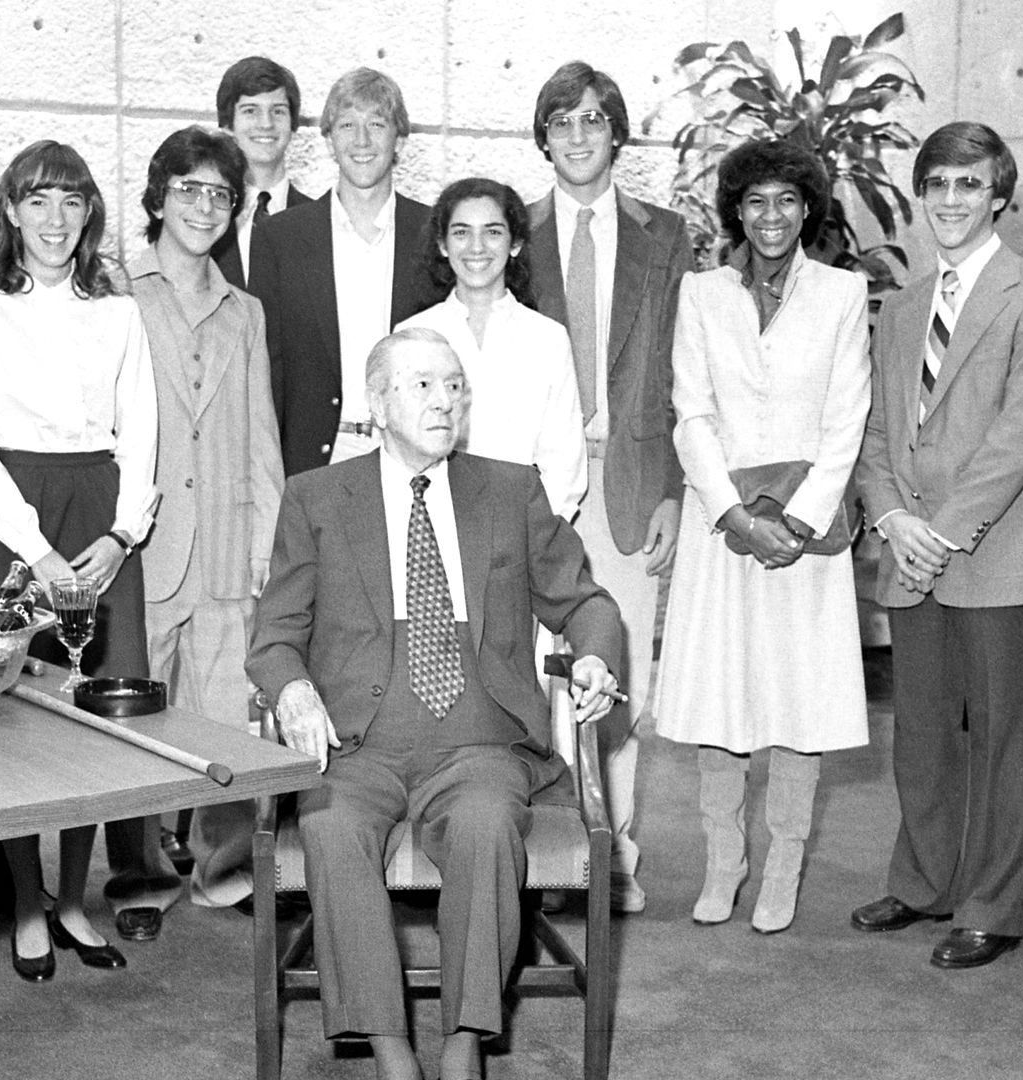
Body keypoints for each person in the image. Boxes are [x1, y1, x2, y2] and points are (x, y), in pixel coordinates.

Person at [247, 328, 623, 1080]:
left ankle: (464, 1042)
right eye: (422, 385)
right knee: (330, 826)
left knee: (487, 827)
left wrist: (592, 654)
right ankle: (390, 1050)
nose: (444, 400)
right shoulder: (317, 497)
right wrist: (291, 690)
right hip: (357, 742)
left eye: (454, 385)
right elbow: (276, 633)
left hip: (480, 741)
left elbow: (584, 600)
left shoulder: (510, 488)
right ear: (377, 404)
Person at [849, 121, 1023, 968]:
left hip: (994, 554)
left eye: (970, 184)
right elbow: (876, 430)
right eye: (938, 183)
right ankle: (923, 882)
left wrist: (940, 533)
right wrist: (891, 520)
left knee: (1006, 739)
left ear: (1000, 197)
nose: (951, 199)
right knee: (923, 732)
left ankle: (992, 904)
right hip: (910, 547)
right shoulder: (903, 305)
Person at [0, 139, 160, 980]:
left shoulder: (117, 310)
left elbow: (139, 428)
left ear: (90, 215)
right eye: (37, 200)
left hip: (101, 518)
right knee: (16, 725)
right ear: (9, 211)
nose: (55, 219)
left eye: (71, 202)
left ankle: (76, 900)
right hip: (15, 519)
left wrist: (119, 535)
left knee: (95, 723)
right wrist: (36, 553)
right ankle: (28, 905)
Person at [651, 139, 872, 934]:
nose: (770, 216)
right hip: (727, 528)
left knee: (799, 704)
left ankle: (782, 868)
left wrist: (799, 518)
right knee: (722, 699)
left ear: (808, 207)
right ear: (735, 211)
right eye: (755, 202)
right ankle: (724, 863)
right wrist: (734, 513)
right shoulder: (702, 293)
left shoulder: (844, 293)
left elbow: (847, 418)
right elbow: (692, 410)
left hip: (805, 535)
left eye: (786, 200)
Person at [522, 60, 694, 913]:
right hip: (532, 486)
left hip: (629, 482)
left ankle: (613, 849)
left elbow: (681, 378)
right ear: (543, 138)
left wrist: (672, 492)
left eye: (594, 119)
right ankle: (546, 845)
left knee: (616, 670)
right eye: (563, 121)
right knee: (530, 672)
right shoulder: (508, 235)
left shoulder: (667, 238)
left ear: (616, 134)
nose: (579, 135)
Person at [126, 126, 285, 911]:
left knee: (229, 717)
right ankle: (142, 873)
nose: (204, 205)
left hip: (227, 540)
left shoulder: (244, 312)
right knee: (137, 715)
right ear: (159, 197)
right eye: (188, 188)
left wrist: (268, 543)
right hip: (146, 546)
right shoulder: (119, 295)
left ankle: (223, 870)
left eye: (220, 193)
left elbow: (261, 435)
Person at [247, 67, 436, 476]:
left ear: (399, 139)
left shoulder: (432, 235)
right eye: (347, 125)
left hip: (411, 454)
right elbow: (265, 369)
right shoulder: (281, 238)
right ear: (329, 140)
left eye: (377, 124)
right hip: (313, 461)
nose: (362, 140)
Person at [396, 176, 587, 520]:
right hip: (430, 531)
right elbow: (400, 453)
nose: (477, 247)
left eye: (493, 231)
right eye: (461, 232)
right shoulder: (412, 335)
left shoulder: (548, 339)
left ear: (515, 244)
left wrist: (532, 538)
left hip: (523, 535)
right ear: (442, 244)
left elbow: (564, 464)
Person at [210, 56, 314, 288]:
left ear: (293, 123)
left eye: (278, 111)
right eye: (250, 111)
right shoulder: (206, 217)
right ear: (228, 124)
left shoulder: (320, 222)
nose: (266, 124)